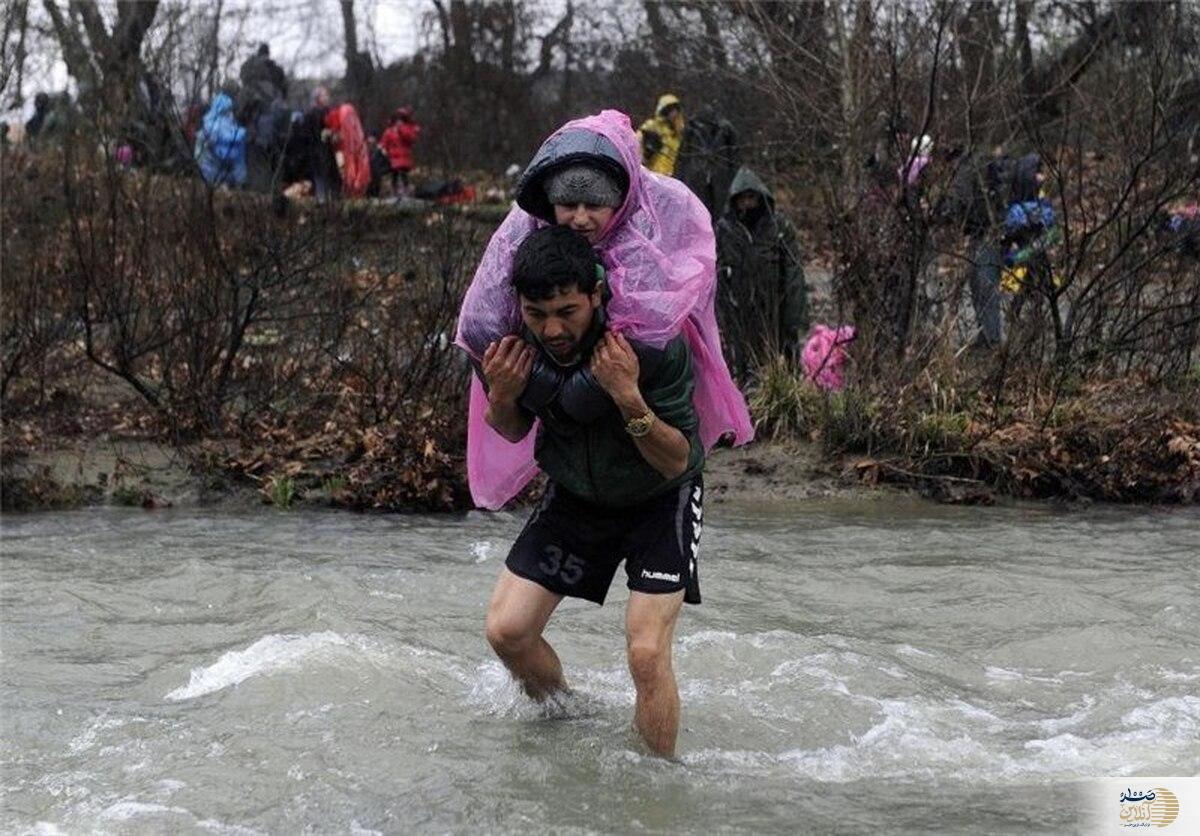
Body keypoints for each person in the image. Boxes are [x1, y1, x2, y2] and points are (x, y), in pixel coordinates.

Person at [455, 110, 753, 757]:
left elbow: (677, 456)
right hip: (577, 496)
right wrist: (501, 398)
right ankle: (566, 722)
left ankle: (659, 788)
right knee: (507, 632)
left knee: (646, 654)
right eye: (539, 315)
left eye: (567, 312)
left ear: (595, 296)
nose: (554, 328)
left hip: (658, 495)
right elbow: (512, 428)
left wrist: (626, 397)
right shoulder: (521, 338)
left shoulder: (649, 342)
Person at [715, 167, 808, 378]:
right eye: (743, 198)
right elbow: (718, 269)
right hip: (740, 307)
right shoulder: (726, 230)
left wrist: (795, 313)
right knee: (743, 361)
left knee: (780, 355)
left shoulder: (779, 227)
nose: (748, 203)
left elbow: (793, 270)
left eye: (752, 197)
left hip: (775, 304)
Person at [194, 91, 247, 187]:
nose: (230, 114)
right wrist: (240, 179)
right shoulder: (231, 128)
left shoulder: (208, 124)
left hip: (210, 173)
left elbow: (199, 155)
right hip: (221, 174)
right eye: (228, 111)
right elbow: (239, 160)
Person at [323, 102, 370, 198]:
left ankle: (348, 191)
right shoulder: (347, 115)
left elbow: (335, 136)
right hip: (347, 151)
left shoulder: (334, 117)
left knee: (345, 172)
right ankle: (353, 192)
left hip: (341, 151)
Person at [638, 94, 685, 177]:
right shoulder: (652, 127)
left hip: (671, 178)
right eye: (670, 110)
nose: (674, 114)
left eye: (675, 110)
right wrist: (646, 154)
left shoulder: (678, 136)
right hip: (652, 176)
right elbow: (635, 146)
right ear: (665, 111)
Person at [380, 106, 420, 196]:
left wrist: (401, 129)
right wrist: (383, 151)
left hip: (403, 158)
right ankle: (396, 192)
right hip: (393, 158)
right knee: (395, 176)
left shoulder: (408, 128)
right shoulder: (390, 131)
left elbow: (411, 139)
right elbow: (384, 142)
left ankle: (404, 191)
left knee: (403, 176)